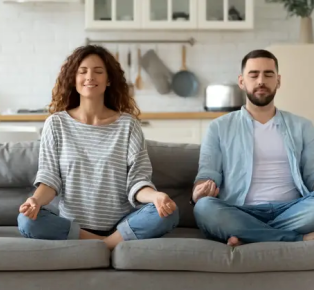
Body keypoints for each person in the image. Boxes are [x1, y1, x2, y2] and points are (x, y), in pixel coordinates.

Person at [17, 45, 179, 250]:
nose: (90, 77)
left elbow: (138, 181)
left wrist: (156, 196)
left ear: (109, 80)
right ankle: (106, 245)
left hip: (121, 224)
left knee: (169, 212)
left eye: (98, 71)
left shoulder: (128, 125)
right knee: (26, 220)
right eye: (82, 71)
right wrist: (35, 201)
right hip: (72, 225)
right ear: (73, 79)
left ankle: (104, 242)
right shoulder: (56, 124)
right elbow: (50, 179)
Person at [192, 49, 314, 246]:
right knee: (204, 208)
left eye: (268, 74)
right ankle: (297, 239)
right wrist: (199, 191)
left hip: (292, 209)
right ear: (242, 81)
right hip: (240, 210)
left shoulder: (303, 126)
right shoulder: (219, 127)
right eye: (254, 74)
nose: (261, 81)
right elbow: (208, 173)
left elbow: (312, 176)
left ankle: (248, 235)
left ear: (278, 81)